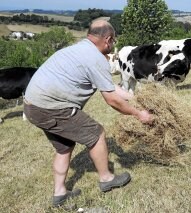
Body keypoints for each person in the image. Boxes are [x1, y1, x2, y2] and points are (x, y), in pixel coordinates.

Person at [24, 19, 153, 207]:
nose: (113, 44)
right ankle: (107, 179)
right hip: (50, 107)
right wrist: (139, 114)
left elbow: (110, 88)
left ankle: (60, 193)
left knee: (64, 147)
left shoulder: (79, 49)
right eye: (114, 41)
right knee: (96, 134)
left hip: (32, 105)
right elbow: (112, 100)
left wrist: (134, 99)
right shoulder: (95, 58)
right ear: (108, 39)